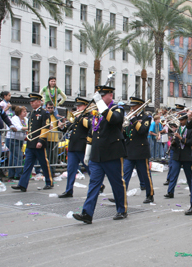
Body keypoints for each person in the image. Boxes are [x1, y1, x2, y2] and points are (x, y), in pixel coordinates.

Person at [73, 86, 128, 224]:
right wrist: (88, 152)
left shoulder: (117, 109)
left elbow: (114, 120)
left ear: (110, 95)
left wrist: (101, 105)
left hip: (112, 153)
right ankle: (87, 213)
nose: (100, 99)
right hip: (97, 155)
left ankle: (121, 209)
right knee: (93, 184)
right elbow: (92, 132)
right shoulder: (96, 112)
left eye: (103, 96)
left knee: (116, 183)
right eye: (99, 96)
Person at [11, 93, 52, 192]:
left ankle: (49, 182)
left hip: (38, 143)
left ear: (39, 102)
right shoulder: (32, 113)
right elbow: (30, 127)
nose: (31, 103)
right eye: (31, 101)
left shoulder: (44, 113)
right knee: (27, 165)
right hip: (31, 143)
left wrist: (41, 141)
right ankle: (22, 184)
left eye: (33, 101)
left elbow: (45, 128)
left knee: (43, 163)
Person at [58, 97, 92, 198]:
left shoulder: (89, 117)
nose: (77, 108)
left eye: (80, 106)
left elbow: (91, 126)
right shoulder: (76, 117)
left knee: (89, 169)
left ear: (86, 106)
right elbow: (68, 128)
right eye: (77, 106)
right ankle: (69, 190)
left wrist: (80, 118)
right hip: (73, 147)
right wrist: (62, 127)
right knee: (71, 169)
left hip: (82, 147)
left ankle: (99, 185)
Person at [123, 97, 154, 203]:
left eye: (134, 106)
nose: (131, 108)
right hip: (129, 150)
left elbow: (142, 131)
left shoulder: (146, 117)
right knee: (125, 174)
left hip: (141, 151)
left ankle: (150, 195)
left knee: (145, 175)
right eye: (131, 106)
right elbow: (126, 134)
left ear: (140, 106)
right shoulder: (130, 117)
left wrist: (133, 119)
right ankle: (121, 195)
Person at [164, 113, 192, 198]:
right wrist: (173, 142)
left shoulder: (191, 130)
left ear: (186, 120)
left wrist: (181, 138)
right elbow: (176, 142)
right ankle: (170, 192)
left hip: (187, 155)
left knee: (189, 175)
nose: (181, 122)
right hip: (177, 154)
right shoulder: (178, 129)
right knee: (174, 174)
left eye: (182, 120)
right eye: (180, 120)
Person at [163, 104, 186, 186]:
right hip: (175, 143)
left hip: (183, 145)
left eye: (179, 110)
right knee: (172, 163)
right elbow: (168, 129)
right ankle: (169, 179)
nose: (176, 112)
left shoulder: (185, 119)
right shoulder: (174, 119)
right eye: (176, 110)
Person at [6, 106, 28, 180]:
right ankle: (18, 174)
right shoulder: (15, 118)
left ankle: (11, 174)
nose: (25, 113)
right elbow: (18, 127)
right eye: (24, 112)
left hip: (20, 139)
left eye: (26, 111)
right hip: (12, 139)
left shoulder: (25, 119)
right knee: (18, 156)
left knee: (13, 156)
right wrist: (28, 128)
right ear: (19, 112)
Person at [45, 101, 64, 177]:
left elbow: (61, 127)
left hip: (55, 139)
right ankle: (46, 171)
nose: (50, 109)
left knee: (54, 157)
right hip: (46, 138)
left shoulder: (56, 116)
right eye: (48, 108)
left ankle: (52, 171)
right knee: (47, 156)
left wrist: (62, 122)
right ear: (46, 108)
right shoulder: (45, 115)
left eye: (51, 108)